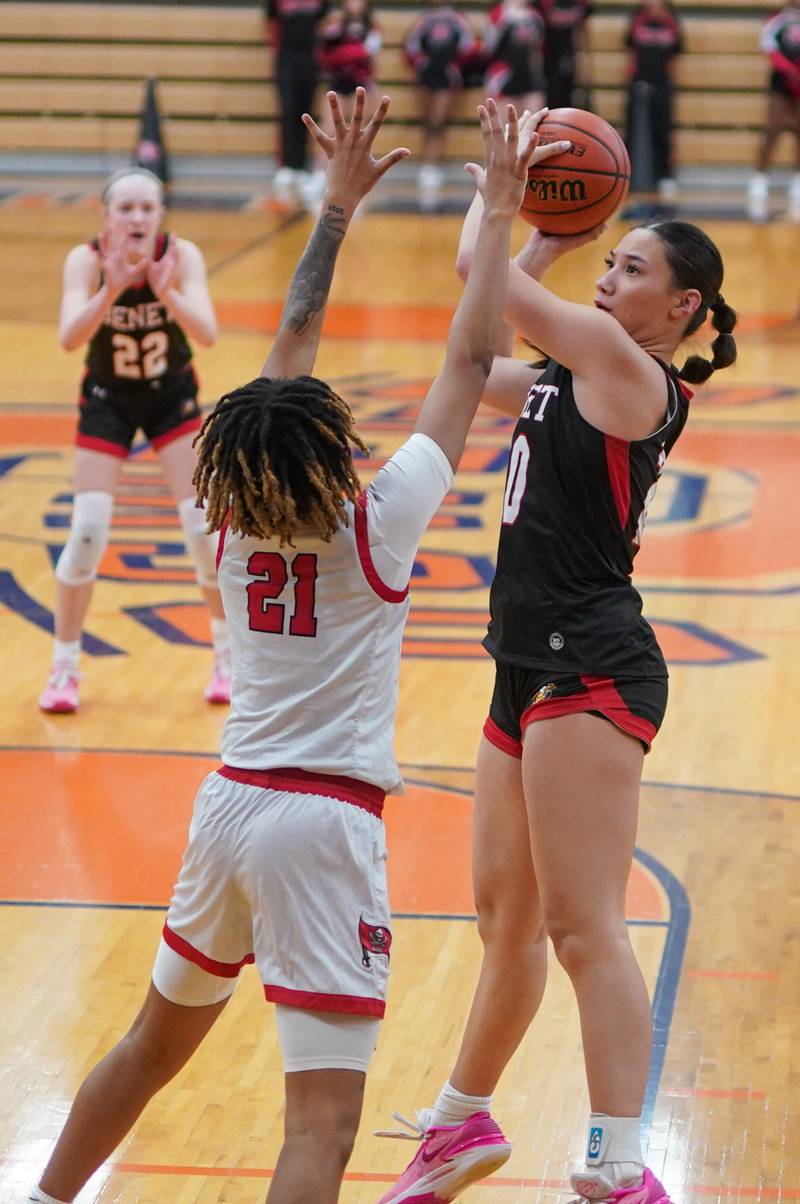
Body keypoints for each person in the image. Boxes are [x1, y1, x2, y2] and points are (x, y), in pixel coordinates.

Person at [27, 92, 568, 1204]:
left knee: (145, 1046)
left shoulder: (224, 516)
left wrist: (333, 211)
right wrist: (504, 207)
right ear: (331, 446)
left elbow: (284, 357)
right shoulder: (373, 525)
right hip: (322, 824)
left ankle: (39, 1198)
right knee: (319, 1123)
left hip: (225, 805)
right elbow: (467, 364)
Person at [377, 109, 738, 1204]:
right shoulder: (564, 369)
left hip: (590, 663)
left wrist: (506, 205)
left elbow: (476, 276)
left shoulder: (628, 374)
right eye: (606, 257)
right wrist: (537, 224)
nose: (606, 277)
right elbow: (478, 330)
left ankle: (620, 1165)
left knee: (584, 927)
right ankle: (457, 1126)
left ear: (677, 309)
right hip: (519, 661)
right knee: (506, 924)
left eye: (627, 267)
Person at [37, 166, 228, 715]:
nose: (138, 217)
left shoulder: (180, 255)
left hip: (171, 397)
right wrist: (114, 290)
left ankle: (227, 661)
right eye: (126, 209)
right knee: (90, 529)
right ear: (107, 217)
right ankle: (64, 669)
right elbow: (70, 338)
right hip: (108, 400)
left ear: (160, 215)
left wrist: (165, 293)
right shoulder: (86, 260)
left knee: (201, 531)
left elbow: (208, 334)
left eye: (147, 208)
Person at [306, 0, 383, 202]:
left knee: (360, 133)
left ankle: (358, 176)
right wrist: (346, 52)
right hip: (338, 84)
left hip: (361, 86)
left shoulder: (371, 29)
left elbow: (368, 55)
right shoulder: (335, 27)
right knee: (329, 130)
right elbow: (325, 54)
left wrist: (346, 52)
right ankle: (319, 175)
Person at [404, 2, 477, 207]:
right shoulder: (425, 19)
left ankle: (432, 166)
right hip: (426, 74)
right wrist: (421, 63)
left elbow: (469, 48)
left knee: (438, 122)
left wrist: (455, 66)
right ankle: (426, 166)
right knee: (427, 122)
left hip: (446, 75)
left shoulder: (458, 19)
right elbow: (411, 47)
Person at [265, 0, 329, 205]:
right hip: (286, 58)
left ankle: (301, 166)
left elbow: (323, 22)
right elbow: (271, 21)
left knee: (306, 110)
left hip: (310, 58)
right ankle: (287, 165)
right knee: (288, 108)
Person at [624, 0, 683, 200]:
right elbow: (631, 53)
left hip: (662, 83)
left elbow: (675, 57)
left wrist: (670, 85)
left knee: (662, 129)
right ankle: (628, 174)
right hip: (638, 81)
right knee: (632, 129)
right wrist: (631, 80)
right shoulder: (637, 20)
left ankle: (665, 176)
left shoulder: (671, 22)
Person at [747, 0, 800, 222]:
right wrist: (788, 70)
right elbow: (769, 47)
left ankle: (797, 183)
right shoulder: (777, 20)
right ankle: (760, 179)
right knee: (772, 129)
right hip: (781, 81)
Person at [483, 0, 546, 116]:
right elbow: (489, 49)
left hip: (529, 75)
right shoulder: (498, 14)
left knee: (532, 125)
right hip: (504, 75)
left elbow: (537, 51)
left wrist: (537, 75)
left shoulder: (535, 16)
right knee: (506, 129)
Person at [538, 0, 592, 110]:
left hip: (569, 58)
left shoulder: (580, 3)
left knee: (568, 100)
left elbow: (582, 31)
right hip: (547, 59)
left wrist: (585, 61)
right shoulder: (544, 3)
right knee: (549, 100)